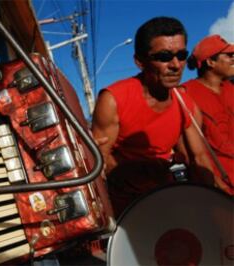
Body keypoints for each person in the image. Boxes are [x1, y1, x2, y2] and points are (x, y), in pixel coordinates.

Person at [91, 16, 219, 218]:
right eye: (164, 57)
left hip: (164, 198)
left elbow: (198, 159)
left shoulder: (185, 103)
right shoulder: (114, 99)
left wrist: (214, 205)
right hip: (125, 208)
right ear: (140, 62)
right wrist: (134, 169)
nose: (176, 65)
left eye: (182, 55)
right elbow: (98, 163)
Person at [181, 35, 234, 194]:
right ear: (210, 62)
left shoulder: (231, 89)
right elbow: (188, 152)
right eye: (229, 55)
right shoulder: (185, 93)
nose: (233, 58)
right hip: (218, 186)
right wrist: (215, 185)